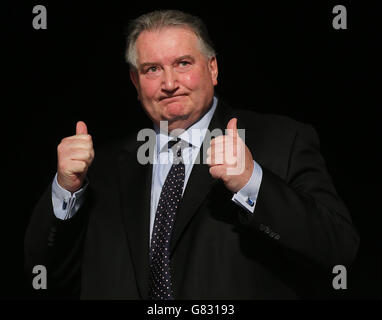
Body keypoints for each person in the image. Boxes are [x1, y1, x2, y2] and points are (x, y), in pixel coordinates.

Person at [25, 10, 359, 299]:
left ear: (212, 69)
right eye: (152, 69)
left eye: (183, 63)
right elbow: (46, 275)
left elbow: (339, 251)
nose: (169, 83)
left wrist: (251, 181)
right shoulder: (100, 168)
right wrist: (66, 191)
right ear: (135, 81)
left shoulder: (281, 139)